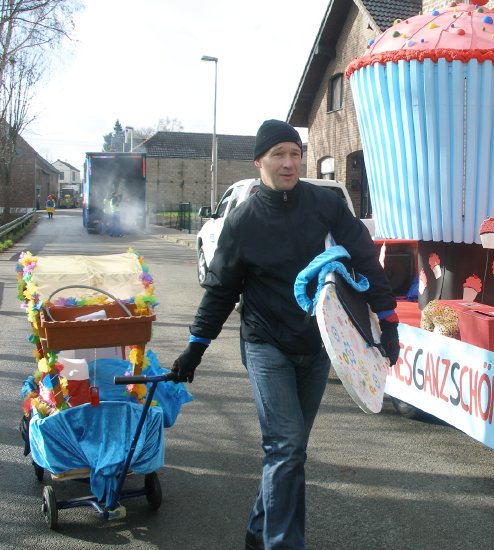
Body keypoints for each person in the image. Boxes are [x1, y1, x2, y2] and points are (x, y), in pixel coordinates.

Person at [171, 119, 400, 550]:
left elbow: (365, 256)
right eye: (279, 154)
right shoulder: (243, 221)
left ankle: (259, 533)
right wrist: (195, 348)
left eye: (295, 153)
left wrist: (387, 320)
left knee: (288, 454)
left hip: (317, 343)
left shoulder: (324, 205)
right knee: (286, 447)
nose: (289, 162)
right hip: (265, 343)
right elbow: (221, 290)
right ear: (260, 162)